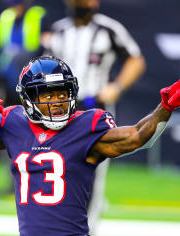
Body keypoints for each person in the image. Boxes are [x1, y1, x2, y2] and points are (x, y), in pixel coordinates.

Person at [0, 56, 180, 235]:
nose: (57, 101)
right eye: (47, 95)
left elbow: (136, 136)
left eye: (62, 93)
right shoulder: (15, 123)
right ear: (28, 99)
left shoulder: (85, 126)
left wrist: (164, 109)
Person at [44, 0, 145, 231]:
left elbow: (136, 59)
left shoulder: (108, 29)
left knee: (93, 171)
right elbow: (44, 67)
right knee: (59, 166)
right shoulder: (59, 30)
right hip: (62, 109)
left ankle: (89, 228)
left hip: (95, 107)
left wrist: (117, 87)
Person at [0, 0, 51, 106]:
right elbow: (0, 42)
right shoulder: (6, 16)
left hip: (32, 65)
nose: (16, 8)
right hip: (9, 64)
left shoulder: (37, 14)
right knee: (12, 99)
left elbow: (46, 39)